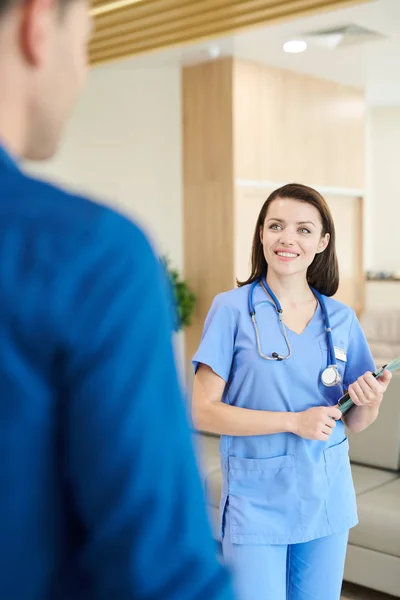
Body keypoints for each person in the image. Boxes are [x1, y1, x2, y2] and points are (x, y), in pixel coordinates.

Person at [0, 0, 235, 598]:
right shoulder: (89, 257)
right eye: (86, 39)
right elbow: (161, 575)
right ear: (36, 25)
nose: (82, 71)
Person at [191, 183, 392, 600]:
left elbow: (353, 421)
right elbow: (202, 411)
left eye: (303, 229)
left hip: (327, 497)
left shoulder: (340, 318)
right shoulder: (231, 309)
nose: (288, 238)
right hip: (257, 500)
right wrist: (292, 422)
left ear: (322, 242)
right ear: (261, 235)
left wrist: (370, 403)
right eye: (276, 225)